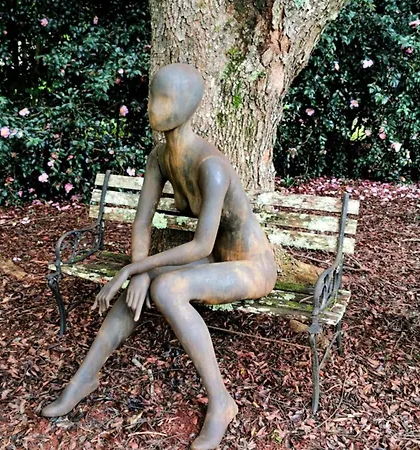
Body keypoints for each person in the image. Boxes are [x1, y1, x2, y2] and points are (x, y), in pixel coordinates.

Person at [42, 63, 277, 450]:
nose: (152, 107)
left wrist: (135, 268)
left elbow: (201, 246)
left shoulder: (211, 167)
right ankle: (85, 377)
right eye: (152, 97)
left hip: (251, 266)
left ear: (186, 106)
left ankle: (222, 402)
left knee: (166, 287)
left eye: (163, 99)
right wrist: (137, 273)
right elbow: (142, 223)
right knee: (147, 281)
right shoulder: (160, 156)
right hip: (217, 261)